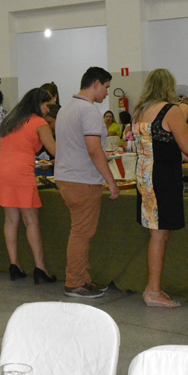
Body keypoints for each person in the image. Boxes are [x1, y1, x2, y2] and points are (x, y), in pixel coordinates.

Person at [133, 69, 188, 308]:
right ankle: (153, 290)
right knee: (160, 234)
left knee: (158, 232)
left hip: (144, 174)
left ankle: (153, 288)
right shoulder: (170, 110)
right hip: (162, 178)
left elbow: (158, 145)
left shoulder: (139, 111)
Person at [54, 67, 119, 299]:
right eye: (107, 87)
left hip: (66, 177)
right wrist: (111, 181)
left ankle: (83, 279)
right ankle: (74, 282)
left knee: (81, 232)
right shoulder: (89, 110)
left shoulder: (66, 108)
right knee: (82, 233)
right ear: (97, 83)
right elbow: (94, 149)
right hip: (82, 179)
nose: (107, 93)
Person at [0, 88, 57, 283]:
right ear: (38, 104)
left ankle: (14, 264)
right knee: (31, 221)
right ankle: (40, 268)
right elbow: (55, 150)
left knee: (11, 220)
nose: (48, 110)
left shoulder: (10, 121)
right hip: (21, 171)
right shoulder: (39, 122)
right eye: (46, 105)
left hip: (3, 169)